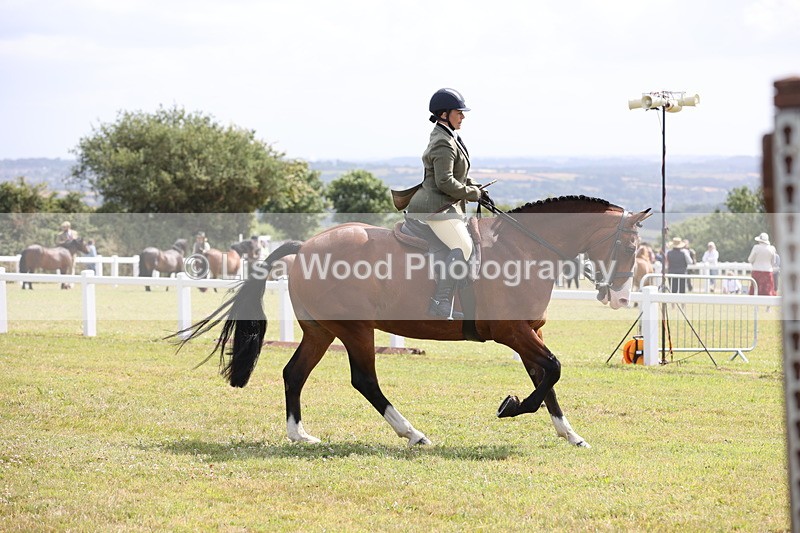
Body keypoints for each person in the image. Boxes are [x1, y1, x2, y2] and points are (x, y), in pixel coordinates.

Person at [402, 88, 489, 318]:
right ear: (444, 114)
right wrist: (472, 194)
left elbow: (457, 175)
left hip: (444, 205)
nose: (462, 116)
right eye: (458, 112)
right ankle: (440, 303)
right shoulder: (443, 142)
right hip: (435, 208)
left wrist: (476, 188)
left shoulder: (449, 136)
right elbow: (445, 182)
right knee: (463, 246)